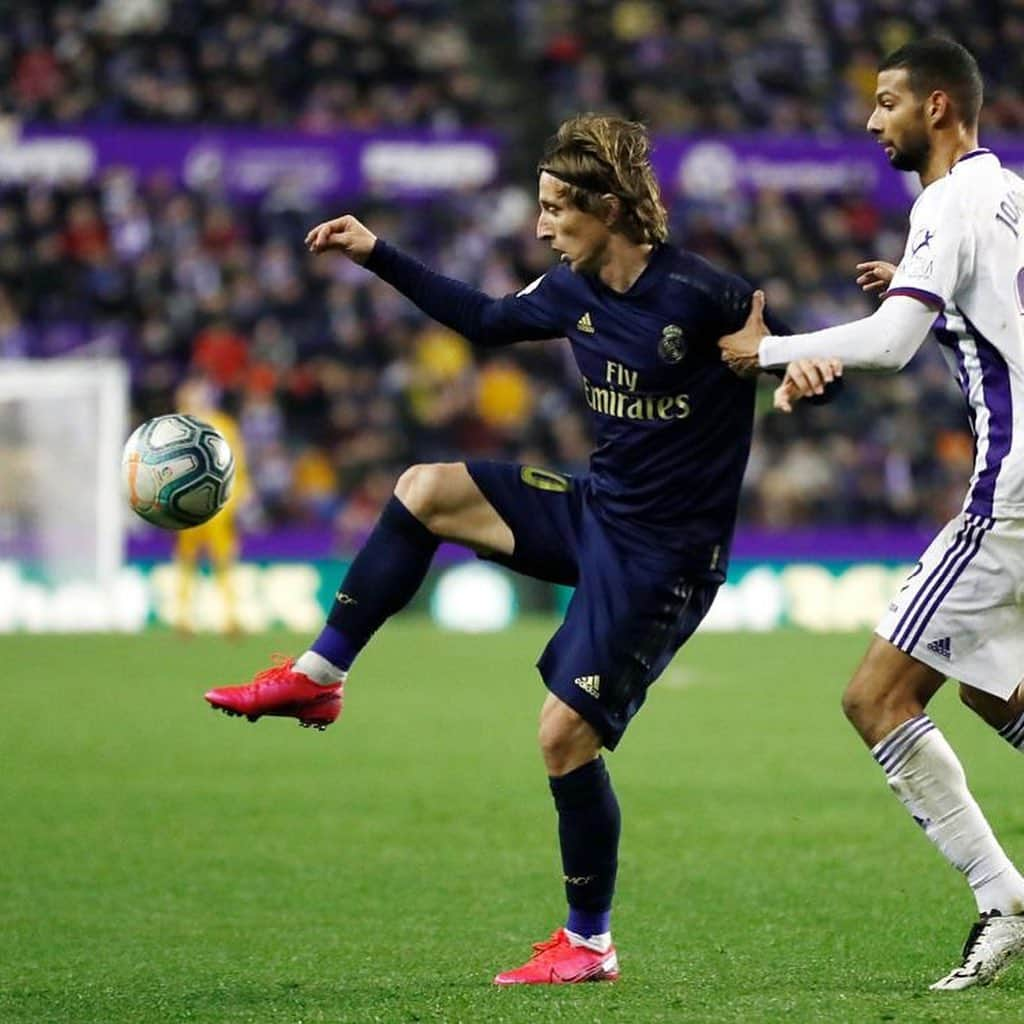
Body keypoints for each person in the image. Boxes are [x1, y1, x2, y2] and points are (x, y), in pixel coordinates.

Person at [204, 114, 838, 984]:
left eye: (555, 209)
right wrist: (374, 251)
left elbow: (803, 364)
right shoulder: (572, 291)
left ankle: (588, 943)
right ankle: (319, 678)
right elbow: (486, 319)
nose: (541, 226)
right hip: (598, 514)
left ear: (607, 207)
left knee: (561, 740)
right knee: (424, 490)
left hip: (666, 560)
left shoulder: (707, 295)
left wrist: (799, 367)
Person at [719, 37, 1024, 991]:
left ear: (938, 106)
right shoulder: (1009, 189)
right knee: (988, 689)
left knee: (876, 698)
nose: (870, 121)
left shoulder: (948, 200)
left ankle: (1002, 900)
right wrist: (928, 299)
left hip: (1013, 486)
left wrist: (765, 353)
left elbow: (891, 347)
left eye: (886, 103)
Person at [174, 376, 249, 635]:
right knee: (187, 560)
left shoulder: (224, 426)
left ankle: (230, 617)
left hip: (218, 507)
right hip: (186, 506)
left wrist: (236, 499)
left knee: (223, 560)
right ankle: (183, 618)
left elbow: (237, 467)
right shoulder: (176, 426)